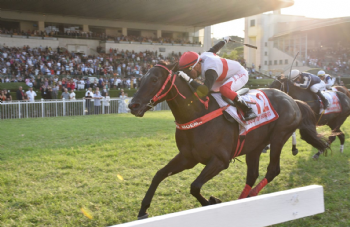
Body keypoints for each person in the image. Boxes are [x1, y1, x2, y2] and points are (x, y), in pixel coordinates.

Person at [177, 37, 257, 121]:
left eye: (188, 71)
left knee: (224, 89)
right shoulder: (204, 55)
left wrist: (188, 79)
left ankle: (248, 110)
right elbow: (215, 48)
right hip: (223, 77)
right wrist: (224, 40)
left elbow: (204, 90)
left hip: (240, 73)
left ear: (197, 65)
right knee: (210, 93)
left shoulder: (210, 69)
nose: (188, 74)